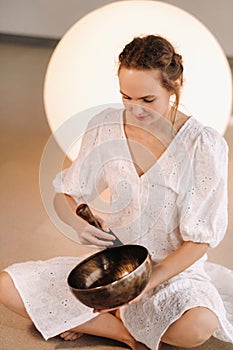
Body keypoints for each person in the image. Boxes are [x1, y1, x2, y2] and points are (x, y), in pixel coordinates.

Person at [0, 35, 233, 350]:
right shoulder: (104, 126)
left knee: (198, 326)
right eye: (126, 97)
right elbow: (68, 193)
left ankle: (101, 318)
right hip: (115, 268)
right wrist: (79, 223)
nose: (135, 110)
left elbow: (199, 242)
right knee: (6, 286)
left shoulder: (202, 145)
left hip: (171, 273)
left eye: (147, 100)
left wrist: (144, 283)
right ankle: (123, 331)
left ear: (174, 85)